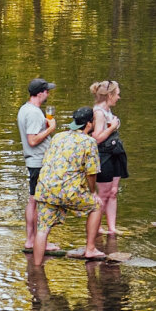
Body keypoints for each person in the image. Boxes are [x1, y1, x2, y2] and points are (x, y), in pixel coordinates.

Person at [33, 107, 103, 266]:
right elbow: (91, 173)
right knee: (97, 206)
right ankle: (90, 249)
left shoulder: (58, 136)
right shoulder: (89, 142)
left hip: (45, 189)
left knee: (42, 229)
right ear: (89, 124)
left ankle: (36, 269)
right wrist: (93, 192)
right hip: (67, 191)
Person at [17, 78, 58, 253]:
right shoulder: (33, 113)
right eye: (47, 91)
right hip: (38, 161)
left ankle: (31, 240)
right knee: (39, 202)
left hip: (34, 161)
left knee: (33, 200)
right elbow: (32, 140)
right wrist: (50, 128)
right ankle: (37, 242)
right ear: (40, 93)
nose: (48, 93)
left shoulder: (25, 109)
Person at [90, 80, 128, 236]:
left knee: (113, 192)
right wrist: (112, 127)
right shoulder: (98, 113)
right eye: (117, 94)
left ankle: (112, 228)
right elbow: (96, 138)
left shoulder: (107, 110)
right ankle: (97, 228)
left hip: (115, 154)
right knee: (104, 193)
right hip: (103, 155)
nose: (119, 97)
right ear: (110, 95)